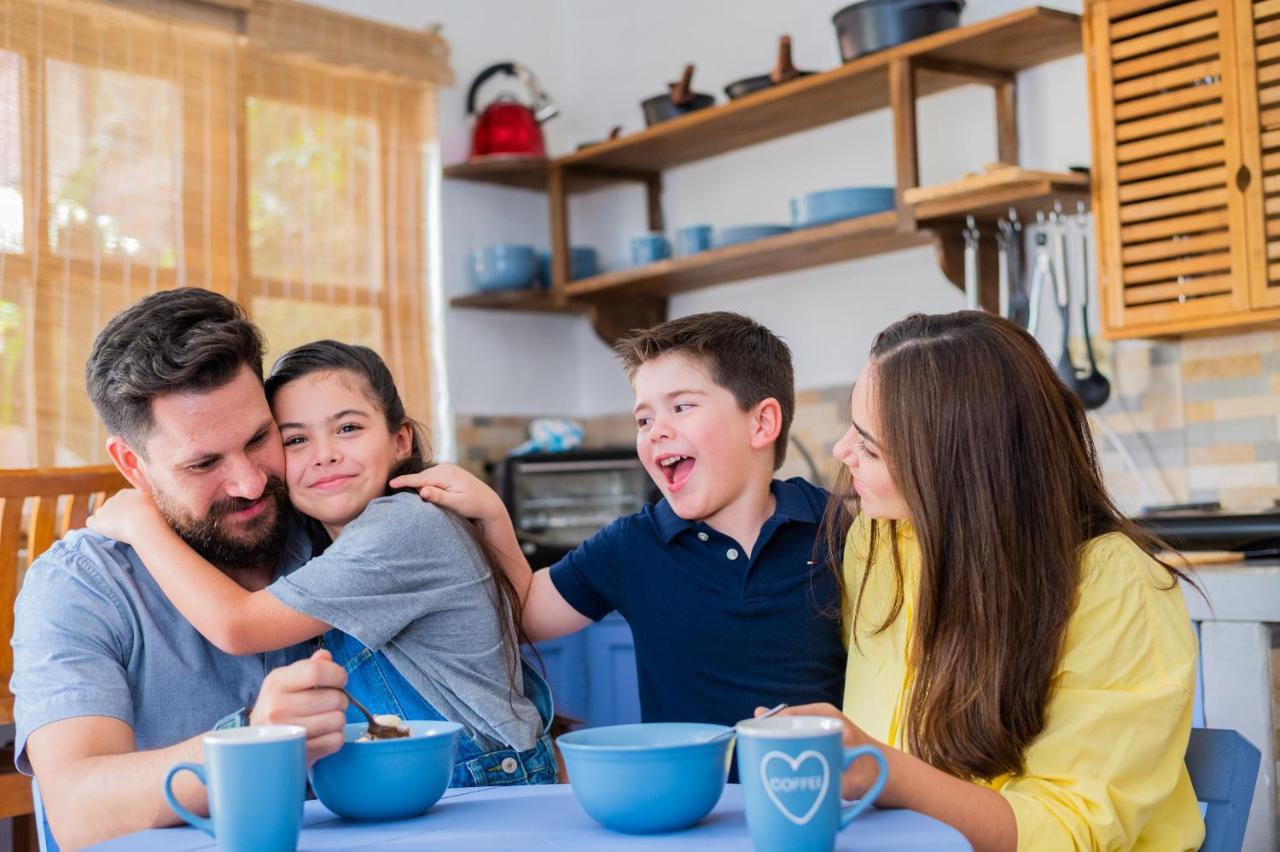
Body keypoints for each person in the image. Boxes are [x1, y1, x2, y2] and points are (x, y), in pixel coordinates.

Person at [769, 311, 1203, 851]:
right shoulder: (880, 544)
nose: (840, 452)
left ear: (957, 471)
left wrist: (885, 772)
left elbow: (1071, 830)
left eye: (870, 446)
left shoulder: (1115, 586)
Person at [87, 340, 557, 788]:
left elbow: (239, 626)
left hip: (482, 779)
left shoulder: (404, 526)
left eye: (348, 428)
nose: (325, 454)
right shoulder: (328, 533)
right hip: (414, 777)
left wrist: (141, 523)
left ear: (400, 441)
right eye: (294, 440)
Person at [11, 289, 351, 849]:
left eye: (259, 438)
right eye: (203, 463)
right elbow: (77, 811)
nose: (247, 483)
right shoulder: (81, 585)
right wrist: (255, 742)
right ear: (131, 465)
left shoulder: (340, 532)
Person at [406, 312, 846, 738]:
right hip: (687, 805)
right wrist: (493, 513)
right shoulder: (632, 545)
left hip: (817, 796)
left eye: (682, 405)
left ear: (762, 422)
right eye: (644, 419)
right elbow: (524, 615)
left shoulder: (839, 529)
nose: (655, 431)